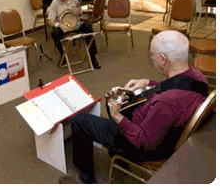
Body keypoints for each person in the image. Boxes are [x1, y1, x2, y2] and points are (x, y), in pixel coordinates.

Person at [59, 30, 208, 184]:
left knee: (79, 121)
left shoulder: (167, 103)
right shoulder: (197, 76)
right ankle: (119, 156)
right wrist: (148, 83)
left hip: (145, 146)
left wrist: (118, 117)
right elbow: (175, 85)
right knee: (116, 99)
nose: (151, 58)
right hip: (163, 130)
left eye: (152, 54)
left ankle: (85, 179)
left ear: (163, 59)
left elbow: (144, 142)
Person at [48, 0, 101, 69]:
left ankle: (93, 58)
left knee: (89, 28)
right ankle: (63, 55)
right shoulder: (55, 3)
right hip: (63, 26)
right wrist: (59, 25)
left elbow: (80, 12)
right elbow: (50, 21)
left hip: (76, 24)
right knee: (55, 34)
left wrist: (79, 12)